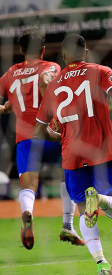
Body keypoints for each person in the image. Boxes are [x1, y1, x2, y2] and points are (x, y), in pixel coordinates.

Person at [34, 34, 112, 274]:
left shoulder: (54, 85)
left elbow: (39, 130)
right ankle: (100, 199)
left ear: (62, 56)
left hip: (71, 156)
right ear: (87, 52)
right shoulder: (100, 71)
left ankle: (102, 264)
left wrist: (60, 137)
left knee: (83, 211)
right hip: (101, 151)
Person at [0, 28, 85, 250]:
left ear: (20, 50)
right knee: (69, 175)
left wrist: (4, 108)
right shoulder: (51, 67)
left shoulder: (10, 73)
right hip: (51, 133)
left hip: (26, 137)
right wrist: (56, 116)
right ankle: (68, 224)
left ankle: (27, 212)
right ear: (44, 50)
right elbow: (47, 82)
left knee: (29, 185)